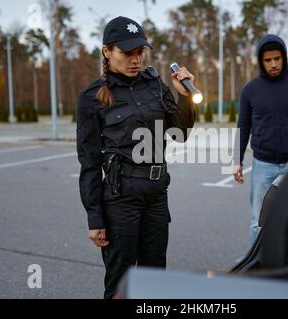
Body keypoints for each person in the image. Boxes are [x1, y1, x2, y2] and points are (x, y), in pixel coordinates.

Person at [76, 16, 195, 299]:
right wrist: (95, 218)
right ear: (107, 52)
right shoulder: (93, 96)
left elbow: (179, 133)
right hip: (121, 199)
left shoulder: (155, 85)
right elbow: (89, 162)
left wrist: (184, 98)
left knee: (154, 281)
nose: (135, 59)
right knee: (122, 285)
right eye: (127, 52)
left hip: (156, 195)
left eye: (140, 52)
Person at [233, 34, 288, 245]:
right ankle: (257, 268)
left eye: (277, 59)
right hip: (263, 166)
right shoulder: (250, 90)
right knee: (258, 222)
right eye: (268, 60)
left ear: (284, 58)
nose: (273, 64)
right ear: (261, 62)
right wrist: (237, 160)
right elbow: (242, 127)